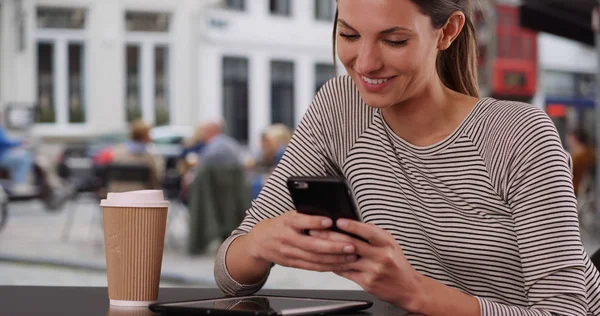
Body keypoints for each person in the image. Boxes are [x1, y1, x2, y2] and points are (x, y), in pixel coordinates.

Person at [213, 0, 600, 315]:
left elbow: (566, 311)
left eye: (393, 40)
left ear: (447, 31)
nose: (364, 63)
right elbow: (229, 276)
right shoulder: (340, 107)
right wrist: (260, 244)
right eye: (348, 34)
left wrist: (414, 292)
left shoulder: (519, 133)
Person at [107, 120, 164, 193]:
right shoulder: (150, 157)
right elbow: (157, 179)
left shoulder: (116, 152)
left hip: (118, 195)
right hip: (141, 196)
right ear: (145, 136)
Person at [0, 125, 34, 195]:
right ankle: (19, 184)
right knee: (25, 158)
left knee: (22, 155)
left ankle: (15, 182)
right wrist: (21, 142)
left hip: (4, 154)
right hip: (2, 157)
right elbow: (4, 142)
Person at [566, 128, 596, 197]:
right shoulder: (592, 154)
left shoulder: (576, 159)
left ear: (574, 139)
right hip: (587, 193)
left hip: (575, 193)